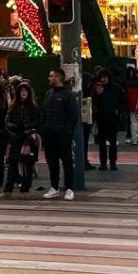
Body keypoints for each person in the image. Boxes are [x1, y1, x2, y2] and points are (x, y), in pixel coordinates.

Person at [40, 69, 79, 201]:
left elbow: (73, 116)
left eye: (51, 76)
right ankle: (54, 187)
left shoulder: (68, 95)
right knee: (52, 162)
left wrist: (67, 132)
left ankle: (69, 188)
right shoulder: (49, 93)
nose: (48, 78)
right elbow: (44, 112)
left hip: (63, 135)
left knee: (67, 162)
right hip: (50, 134)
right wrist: (44, 129)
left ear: (58, 78)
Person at [1, 83, 39, 198]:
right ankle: (8, 190)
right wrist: (15, 127)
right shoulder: (13, 107)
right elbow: (7, 122)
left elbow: (37, 122)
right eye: (21, 91)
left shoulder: (33, 107)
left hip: (27, 140)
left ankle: (25, 190)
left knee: (27, 165)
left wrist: (27, 127)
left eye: (25, 91)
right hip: (16, 139)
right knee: (13, 165)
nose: (23, 93)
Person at [93, 73, 124, 171]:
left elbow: (122, 100)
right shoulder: (99, 88)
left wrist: (117, 110)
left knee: (112, 142)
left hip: (112, 117)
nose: (103, 79)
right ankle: (103, 163)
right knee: (102, 142)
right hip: (102, 118)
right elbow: (95, 102)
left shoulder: (116, 88)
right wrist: (99, 94)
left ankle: (112, 162)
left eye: (105, 77)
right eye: (102, 77)